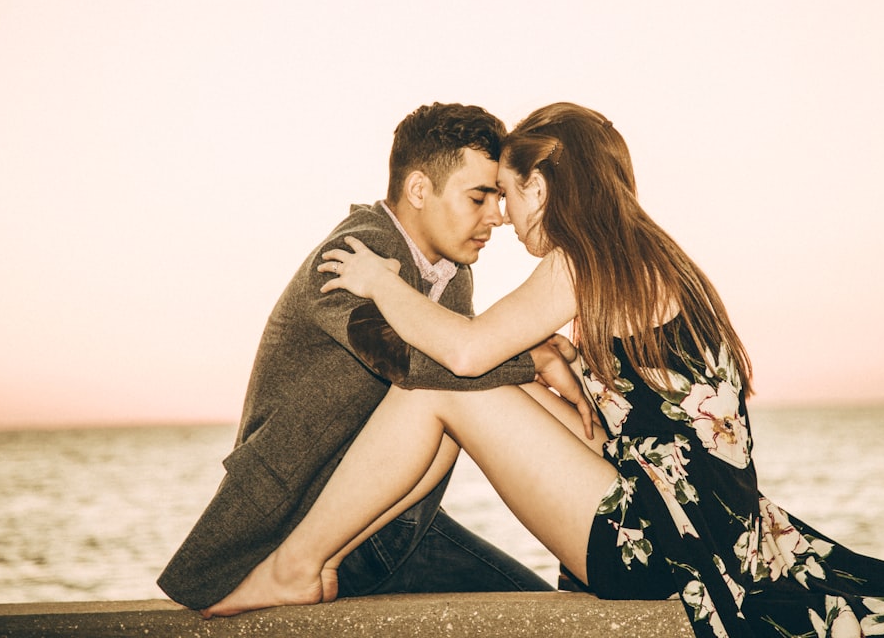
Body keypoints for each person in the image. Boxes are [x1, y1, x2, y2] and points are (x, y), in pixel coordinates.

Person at [203, 103, 884, 638]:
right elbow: (636, 425)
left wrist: (383, 281)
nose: (503, 212)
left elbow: (459, 355)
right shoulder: (645, 258)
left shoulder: (576, 264)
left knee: (435, 394)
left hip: (657, 545)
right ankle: (314, 562)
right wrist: (555, 373)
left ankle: (294, 566)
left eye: (508, 191)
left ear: (542, 185)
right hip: (697, 530)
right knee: (482, 392)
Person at [158, 102, 587, 611]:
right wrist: (531, 359)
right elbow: (400, 362)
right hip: (303, 517)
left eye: (497, 196)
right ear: (419, 190)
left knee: (545, 612)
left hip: (394, 520)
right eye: (479, 197)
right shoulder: (351, 255)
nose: (496, 215)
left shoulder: (453, 273)